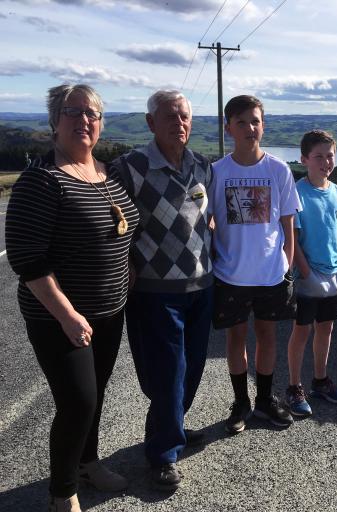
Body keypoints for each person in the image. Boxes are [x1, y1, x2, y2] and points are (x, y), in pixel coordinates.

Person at [5, 84, 139, 512]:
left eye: (92, 114)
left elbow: (121, 231)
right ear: (53, 122)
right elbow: (28, 260)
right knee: (77, 401)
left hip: (109, 310)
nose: (84, 120)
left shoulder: (108, 173)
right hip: (61, 317)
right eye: (73, 112)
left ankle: (89, 464)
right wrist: (66, 314)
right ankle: (62, 493)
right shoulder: (42, 181)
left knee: (95, 394)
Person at [112, 90, 214, 491]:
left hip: (202, 285)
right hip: (156, 291)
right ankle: (163, 454)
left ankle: (172, 429)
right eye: (170, 116)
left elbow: (208, 220)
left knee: (193, 368)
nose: (179, 123)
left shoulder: (203, 166)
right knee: (169, 372)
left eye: (185, 116)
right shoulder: (129, 167)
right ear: (151, 122)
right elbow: (112, 223)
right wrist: (125, 265)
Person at [210, 95, 301, 434]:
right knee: (236, 339)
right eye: (242, 122)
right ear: (228, 127)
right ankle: (240, 402)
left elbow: (288, 223)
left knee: (267, 337)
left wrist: (288, 266)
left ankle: (264, 400)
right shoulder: (217, 172)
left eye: (256, 121)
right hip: (230, 274)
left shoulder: (278, 169)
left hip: (271, 275)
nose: (250, 128)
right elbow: (208, 221)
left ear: (263, 125)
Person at [285, 130, 337, 417]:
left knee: (326, 328)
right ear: (304, 160)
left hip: (334, 275)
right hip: (308, 278)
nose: (326, 162)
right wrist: (305, 272)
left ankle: (320, 380)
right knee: (301, 331)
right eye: (319, 157)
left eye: (330, 156)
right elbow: (294, 236)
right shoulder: (298, 193)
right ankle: (293, 386)